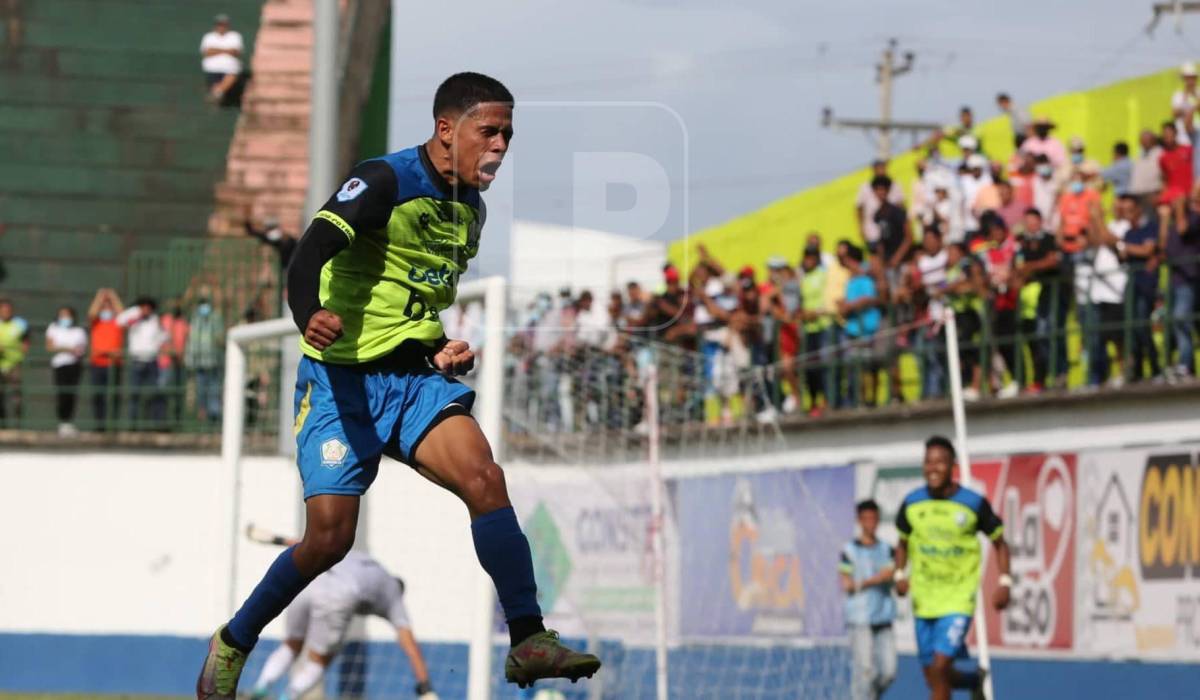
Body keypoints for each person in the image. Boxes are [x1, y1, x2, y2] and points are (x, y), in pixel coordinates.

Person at [195, 73, 600, 699]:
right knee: (330, 540)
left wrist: (440, 347)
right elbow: (309, 254)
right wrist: (310, 316)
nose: (499, 145)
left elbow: (411, 301)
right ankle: (236, 640)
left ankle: (527, 637)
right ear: (446, 129)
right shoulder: (383, 180)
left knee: (486, 478)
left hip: (411, 382)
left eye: (507, 134)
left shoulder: (472, 210)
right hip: (339, 384)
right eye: (488, 131)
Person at [894, 436, 1012, 700]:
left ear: (952, 466)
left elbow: (1000, 543)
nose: (933, 468)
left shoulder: (972, 503)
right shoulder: (912, 503)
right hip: (924, 600)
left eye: (940, 462)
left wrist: (1005, 582)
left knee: (940, 667)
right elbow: (902, 544)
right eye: (928, 462)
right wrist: (899, 574)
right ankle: (972, 681)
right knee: (934, 676)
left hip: (958, 599)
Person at [248, 545, 438, 700]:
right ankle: (288, 696)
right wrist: (424, 687)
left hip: (309, 582)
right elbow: (409, 644)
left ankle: (260, 687)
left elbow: (311, 543)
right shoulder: (394, 594)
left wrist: (277, 540)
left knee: (291, 645)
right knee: (320, 660)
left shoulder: (365, 560)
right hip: (338, 596)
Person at [840, 499, 897, 700]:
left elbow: (893, 576)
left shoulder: (887, 549)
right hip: (860, 618)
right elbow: (846, 584)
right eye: (866, 519)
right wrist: (875, 580)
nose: (870, 523)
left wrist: (894, 580)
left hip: (883, 616)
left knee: (889, 672)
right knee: (864, 672)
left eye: (874, 518)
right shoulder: (849, 550)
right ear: (859, 520)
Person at [1012, 208, 1063, 393]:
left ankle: (1058, 373)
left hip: (1048, 294)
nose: (1031, 225)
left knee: (1048, 334)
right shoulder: (1022, 243)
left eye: (1034, 221)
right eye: (1028, 221)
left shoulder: (1048, 239)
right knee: (1033, 341)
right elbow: (1018, 269)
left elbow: (1052, 261)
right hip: (1027, 303)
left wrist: (1030, 267)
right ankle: (1039, 380)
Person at [1117, 196, 1162, 382]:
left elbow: (1147, 250)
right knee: (1131, 327)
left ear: (1138, 210)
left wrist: (1127, 248)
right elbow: (1124, 257)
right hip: (1132, 284)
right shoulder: (1128, 233)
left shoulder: (1149, 227)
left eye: (1129, 210)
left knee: (1142, 325)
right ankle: (1138, 371)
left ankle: (1155, 367)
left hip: (1146, 285)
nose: (1127, 214)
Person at [837, 245, 880, 407]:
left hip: (868, 328)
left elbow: (869, 298)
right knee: (856, 368)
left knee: (870, 366)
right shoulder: (851, 280)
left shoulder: (865, 276)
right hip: (853, 329)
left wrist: (849, 306)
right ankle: (860, 400)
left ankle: (872, 400)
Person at [119, 296, 168, 429]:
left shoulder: (155, 320)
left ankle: (158, 424)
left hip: (152, 360)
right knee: (134, 393)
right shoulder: (133, 314)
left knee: (156, 392)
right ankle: (132, 424)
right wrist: (137, 316)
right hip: (136, 360)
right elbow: (120, 322)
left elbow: (164, 337)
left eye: (148, 307)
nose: (146, 310)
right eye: (143, 307)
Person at [45, 306, 88, 437]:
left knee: (71, 394)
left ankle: (69, 423)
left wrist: (64, 348)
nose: (65, 318)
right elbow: (50, 346)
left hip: (74, 365)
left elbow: (80, 349)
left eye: (67, 315)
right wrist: (68, 349)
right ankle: (62, 423)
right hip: (59, 365)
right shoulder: (53, 328)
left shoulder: (79, 331)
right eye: (62, 315)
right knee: (62, 393)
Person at [87, 288, 125, 431]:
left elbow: (123, 313)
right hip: (98, 363)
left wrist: (113, 297)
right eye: (104, 306)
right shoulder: (96, 322)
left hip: (115, 363)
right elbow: (91, 313)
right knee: (98, 395)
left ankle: (113, 425)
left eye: (109, 306)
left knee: (114, 396)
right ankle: (100, 425)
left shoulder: (117, 322)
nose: (107, 308)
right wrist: (100, 297)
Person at [186, 297, 224, 423]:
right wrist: (190, 359)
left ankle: (214, 416)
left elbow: (220, 337)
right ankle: (203, 415)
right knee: (201, 390)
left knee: (214, 389)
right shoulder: (195, 320)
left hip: (213, 361)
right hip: (199, 362)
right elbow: (192, 341)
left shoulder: (216, 318)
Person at [856, 161, 906, 250]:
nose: (881, 193)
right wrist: (861, 229)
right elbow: (859, 209)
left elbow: (901, 206)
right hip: (872, 232)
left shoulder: (895, 185)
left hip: (894, 232)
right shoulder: (865, 187)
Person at [200, 14, 245, 106]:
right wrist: (226, 50)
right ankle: (218, 95)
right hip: (212, 68)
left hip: (230, 68)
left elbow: (235, 51)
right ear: (215, 25)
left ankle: (217, 93)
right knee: (217, 90)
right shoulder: (209, 36)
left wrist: (216, 50)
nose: (221, 27)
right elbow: (207, 52)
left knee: (231, 75)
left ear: (228, 25)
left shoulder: (235, 36)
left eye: (224, 24)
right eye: (219, 24)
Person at [1159, 121, 1194, 233]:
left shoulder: (1188, 150)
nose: (1167, 137)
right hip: (1174, 193)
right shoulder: (1163, 157)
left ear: (1176, 133)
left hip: (1190, 191)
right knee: (1164, 211)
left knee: (1180, 199)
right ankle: (1164, 246)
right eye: (1165, 135)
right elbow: (1165, 179)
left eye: (1169, 134)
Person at [0, 298, 29, 427]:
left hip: (15, 364)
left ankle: (17, 424)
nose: (5, 312)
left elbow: (26, 342)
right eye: (3, 309)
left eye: (7, 309)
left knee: (16, 395)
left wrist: (22, 351)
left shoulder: (20, 324)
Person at [1129, 129, 1164, 216]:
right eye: (1142, 140)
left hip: (1153, 194)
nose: (1143, 142)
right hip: (1139, 196)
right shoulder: (1140, 155)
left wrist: (1159, 193)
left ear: (1153, 140)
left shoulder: (1160, 154)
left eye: (1146, 139)